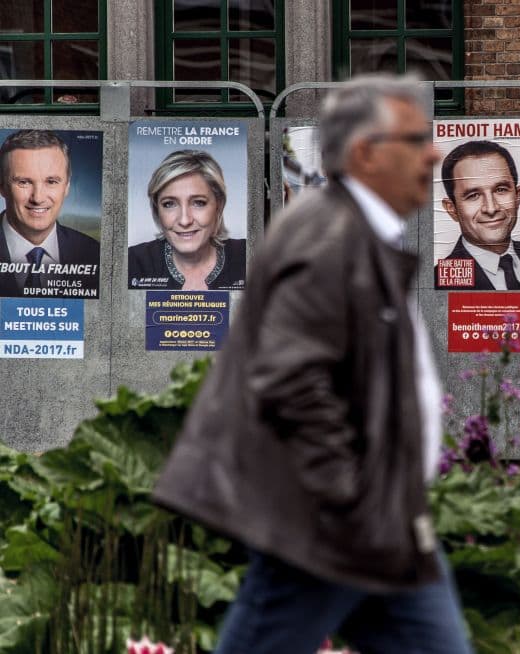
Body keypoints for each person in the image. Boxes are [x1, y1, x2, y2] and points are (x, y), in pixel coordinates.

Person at [152, 75, 472, 654]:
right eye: (415, 140)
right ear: (366, 154)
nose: (433, 154)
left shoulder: (362, 233)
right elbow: (289, 377)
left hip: (379, 515)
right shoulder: (328, 236)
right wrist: (345, 496)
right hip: (329, 521)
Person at [435, 140, 520, 290]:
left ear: (517, 196)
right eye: (473, 195)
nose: (491, 209)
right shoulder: (437, 282)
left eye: (501, 190)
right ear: (452, 209)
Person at [0, 129, 100, 298]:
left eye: (51, 181)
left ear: (67, 186)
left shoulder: (94, 253)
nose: (38, 198)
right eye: (24, 182)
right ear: (2, 187)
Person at [128, 150, 246, 290]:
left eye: (199, 203)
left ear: (218, 206)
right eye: (169, 204)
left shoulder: (250, 255)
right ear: (157, 210)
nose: (184, 221)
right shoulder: (133, 261)